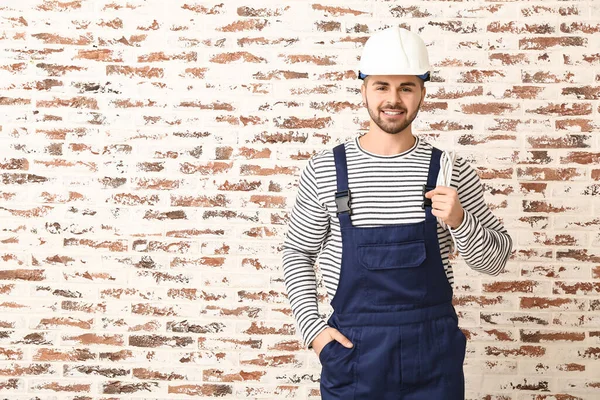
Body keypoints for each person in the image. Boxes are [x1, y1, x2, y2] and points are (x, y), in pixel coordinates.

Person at [282, 26, 512, 399]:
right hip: (355, 357)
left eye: (406, 87)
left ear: (422, 91)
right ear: (363, 89)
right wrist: (315, 332)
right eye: (382, 86)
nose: (393, 99)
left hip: (433, 356)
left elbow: (496, 261)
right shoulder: (325, 169)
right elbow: (297, 252)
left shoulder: (450, 170)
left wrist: (459, 221)